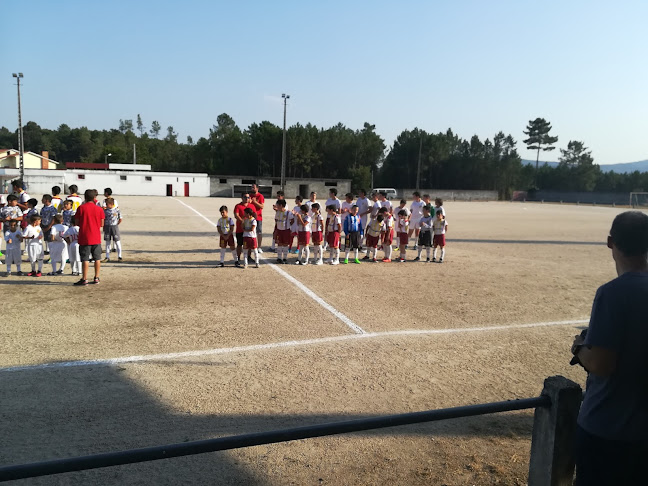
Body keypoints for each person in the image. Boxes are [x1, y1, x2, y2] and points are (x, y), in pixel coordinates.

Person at [571, 211, 648, 486]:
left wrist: (580, 348)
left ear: (610, 242)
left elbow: (602, 364)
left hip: (607, 429)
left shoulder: (612, 293)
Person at [74, 189, 105, 286]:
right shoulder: (99, 209)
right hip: (96, 236)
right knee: (97, 258)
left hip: (85, 236)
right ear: (95, 198)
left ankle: (84, 278)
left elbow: (77, 222)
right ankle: (96, 277)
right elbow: (102, 223)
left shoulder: (81, 208)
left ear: (85, 197)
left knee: (85, 259)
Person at [233, 192, 256, 268]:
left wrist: (254, 222)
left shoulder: (252, 206)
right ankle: (238, 259)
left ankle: (248, 257)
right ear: (242, 198)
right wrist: (243, 222)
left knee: (249, 245)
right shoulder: (238, 206)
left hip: (249, 230)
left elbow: (255, 214)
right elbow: (236, 215)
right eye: (245, 197)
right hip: (240, 229)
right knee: (240, 244)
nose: (247, 199)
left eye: (248, 197)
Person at [102, 198, 123, 262]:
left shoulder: (117, 211)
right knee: (107, 242)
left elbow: (120, 218)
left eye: (107, 204)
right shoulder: (105, 211)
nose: (106, 205)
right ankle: (107, 256)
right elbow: (103, 219)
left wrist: (116, 224)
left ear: (111, 204)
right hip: (107, 227)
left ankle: (120, 256)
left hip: (114, 227)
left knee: (117, 241)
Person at [274, 199, 291, 264]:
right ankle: (279, 258)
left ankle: (285, 258)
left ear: (281, 205)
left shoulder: (288, 213)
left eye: (277, 205)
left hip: (286, 230)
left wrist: (288, 227)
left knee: (285, 244)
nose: (276, 206)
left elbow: (291, 221)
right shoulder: (278, 212)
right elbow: (276, 219)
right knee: (279, 243)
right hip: (279, 230)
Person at [249, 183, 265, 251]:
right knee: (251, 232)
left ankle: (259, 247)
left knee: (259, 232)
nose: (252, 188)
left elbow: (262, 206)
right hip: (250, 217)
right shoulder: (249, 195)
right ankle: (252, 246)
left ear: (257, 188)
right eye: (252, 187)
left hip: (258, 217)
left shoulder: (260, 196)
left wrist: (254, 202)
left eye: (254, 187)